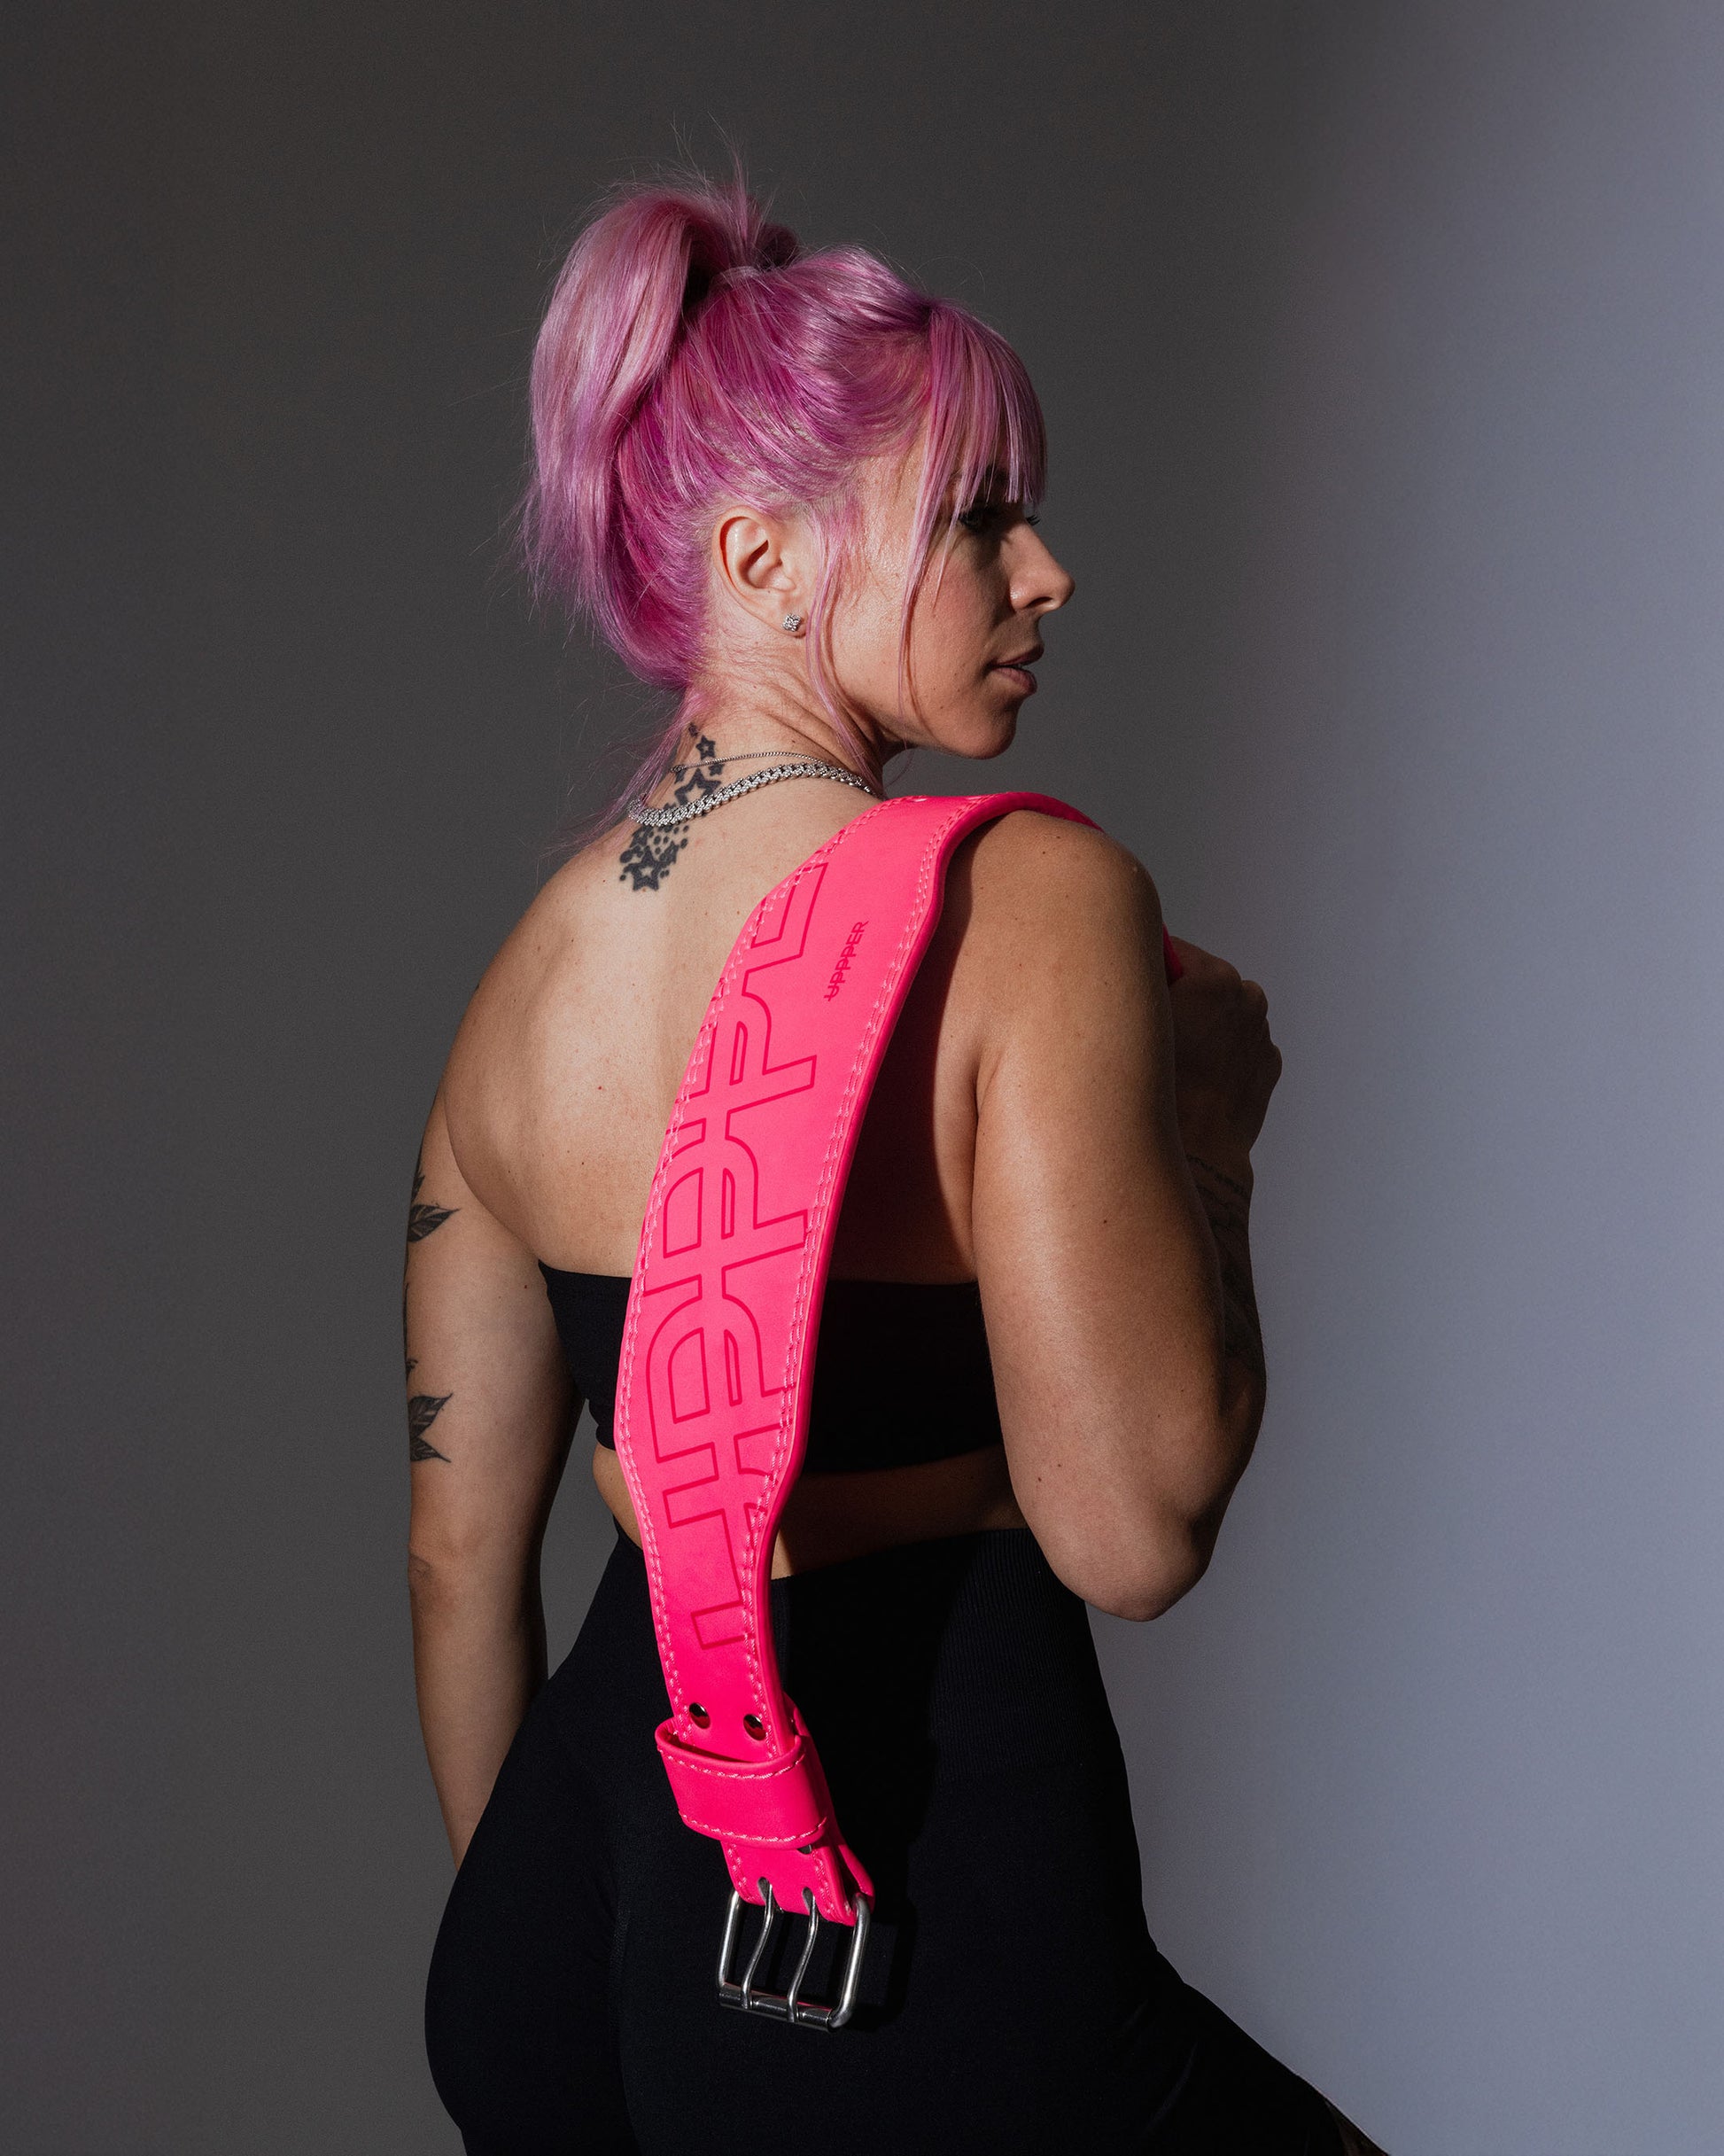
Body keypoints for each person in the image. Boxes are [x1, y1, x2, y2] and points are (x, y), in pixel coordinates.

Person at [404, 171, 1389, 2155]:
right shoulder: (1023, 901)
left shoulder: (525, 980)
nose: (1047, 575)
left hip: (583, 1943)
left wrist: (612, 1967)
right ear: (764, 557)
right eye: (978, 520)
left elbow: (454, 1558)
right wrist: (1211, 1132)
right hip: (921, 1918)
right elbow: (1134, 1531)